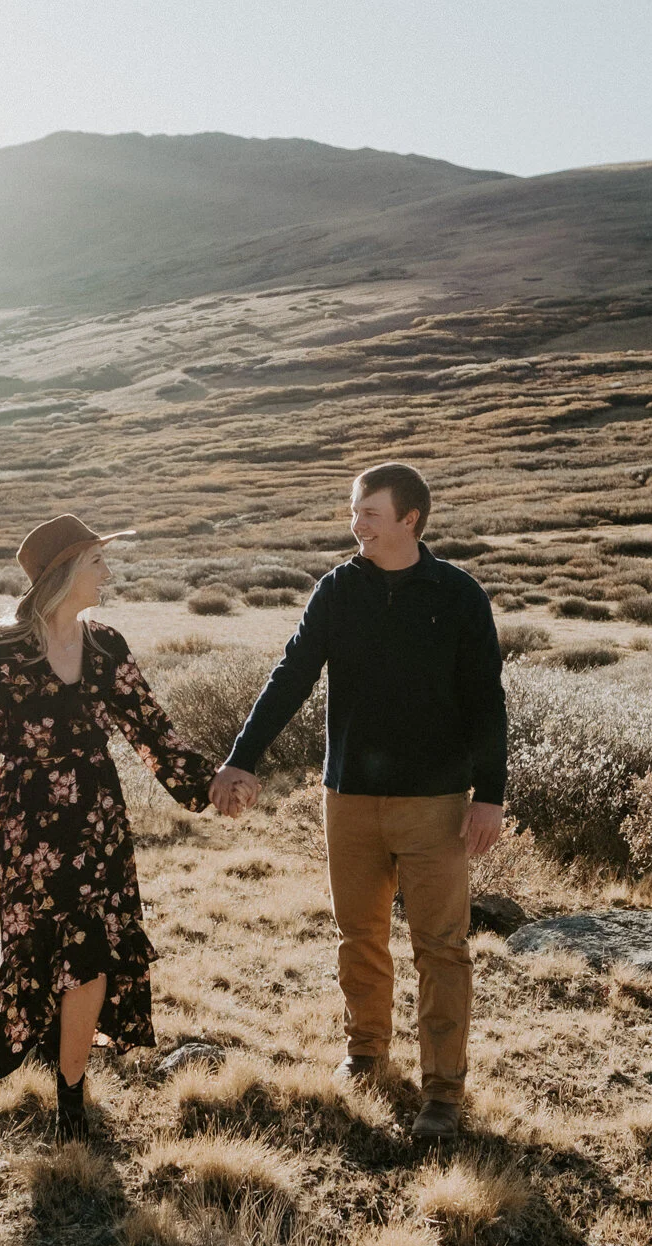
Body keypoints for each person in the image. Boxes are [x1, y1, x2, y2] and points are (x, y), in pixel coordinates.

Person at [210, 463, 507, 1140]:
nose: (356, 524)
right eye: (353, 511)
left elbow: (487, 700)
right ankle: (367, 1052)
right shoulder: (338, 591)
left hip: (435, 802)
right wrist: (241, 758)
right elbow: (291, 675)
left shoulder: (458, 595)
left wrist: (489, 795)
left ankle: (442, 1093)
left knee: (441, 947)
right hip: (348, 798)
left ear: (410, 518)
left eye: (369, 512)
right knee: (360, 938)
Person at [0, 512, 219, 1139]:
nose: (108, 573)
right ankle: (46, 1047)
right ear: (64, 574)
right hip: (31, 832)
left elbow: (153, 732)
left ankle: (71, 1098)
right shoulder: (6, 655)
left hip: (98, 827)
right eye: (97, 562)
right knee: (37, 960)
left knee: (92, 960)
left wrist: (210, 785)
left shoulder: (107, 647)